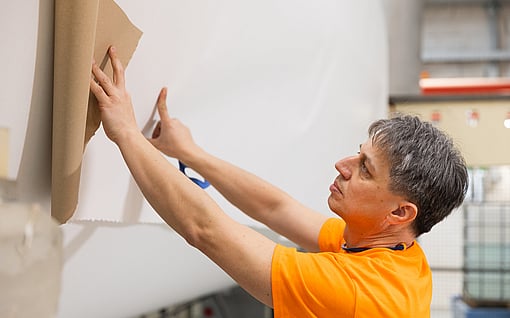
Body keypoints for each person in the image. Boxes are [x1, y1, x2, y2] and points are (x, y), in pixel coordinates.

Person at [90, 46, 468, 317]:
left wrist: (126, 132)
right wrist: (191, 153)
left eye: (365, 168)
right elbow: (277, 208)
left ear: (400, 212)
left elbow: (204, 230)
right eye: (358, 153)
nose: (342, 165)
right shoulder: (392, 250)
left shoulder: (359, 293)